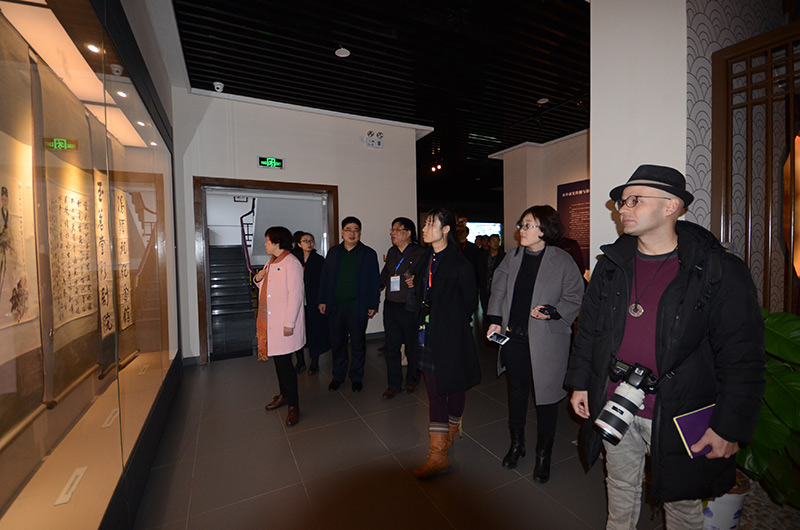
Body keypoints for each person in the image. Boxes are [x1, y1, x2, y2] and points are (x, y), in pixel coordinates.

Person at [564, 165, 764, 529]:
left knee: (683, 504)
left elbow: (742, 357)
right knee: (620, 489)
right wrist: (580, 382)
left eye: (634, 200)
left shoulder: (716, 270)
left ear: (671, 205)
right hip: (616, 399)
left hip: (679, 409)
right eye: (622, 201)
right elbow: (590, 331)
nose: (622, 208)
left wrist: (728, 427)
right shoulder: (611, 265)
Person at [486, 206, 584, 482]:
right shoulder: (512, 257)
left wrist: (555, 311)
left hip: (548, 340)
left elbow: (575, 295)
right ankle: (517, 445)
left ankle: (544, 455)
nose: (521, 229)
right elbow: (499, 289)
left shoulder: (562, 260)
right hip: (514, 338)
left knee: (547, 399)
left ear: (544, 230)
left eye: (527, 225)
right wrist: (494, 319)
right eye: (521, 224)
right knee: (516, 394)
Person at [408, 208, 481, 478]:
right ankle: (438, 454)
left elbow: (469, 303)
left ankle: (448, 435)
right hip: (426, 332)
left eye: (431, 224)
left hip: (451, 334)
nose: (424, 229)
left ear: (446, 229)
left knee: (456, 384)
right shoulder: (424, 258)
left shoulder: (460, 264)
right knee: (435, 391)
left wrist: (449, 320)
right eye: (425, 224)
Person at [318, 216, 380, 392]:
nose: (352, 234)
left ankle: (356, 376)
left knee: (358, 344)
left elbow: (374, 281)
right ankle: (338, 376)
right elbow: (325, 277)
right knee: (337, 343)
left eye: (356, 230)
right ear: (342, 232)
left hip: (357, 306)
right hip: (336, 306)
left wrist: (372, 304)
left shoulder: (368, 253)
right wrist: (322, 300)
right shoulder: (333, 252)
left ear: (360, 232)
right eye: (348, 229)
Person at [255, 226, 306, 427]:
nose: (265, 244)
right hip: (272, 322)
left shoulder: (291, 262)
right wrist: (258, 279)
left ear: (277, 242)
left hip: (285, 324)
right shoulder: (272, 261)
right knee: (279, 363)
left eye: (268, 240)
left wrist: (289, 323)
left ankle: (294, 405)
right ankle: (284, 395)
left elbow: (295, 295)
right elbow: (269, 288)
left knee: (286, 366)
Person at [379, 217, 426, 398]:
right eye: (392, 230)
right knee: (391, 346)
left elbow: (428, 280)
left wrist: (417, 281)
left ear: (408, 233)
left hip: (409, 307)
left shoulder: (420, 253)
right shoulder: (392, 252)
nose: (392, 233)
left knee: (411, 346)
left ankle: (412, 379)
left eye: (397, 230)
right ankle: (394, 384)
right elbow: (385, 276)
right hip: (391, 306)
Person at [293, 232, 329, 375]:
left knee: (314, 332)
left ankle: (314, 362)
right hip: (298, 303)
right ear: (299, 244)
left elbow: (324, 282)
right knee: (297, 332)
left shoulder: (319, 260)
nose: (309, 243)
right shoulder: (294, 260)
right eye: (305, 241)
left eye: (311, 241)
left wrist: (322, 300)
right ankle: (300, 361)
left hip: (314, 302)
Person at [477, 233, 505, 314]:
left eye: (498, 241)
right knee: (485, 311)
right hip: (485, 288)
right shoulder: (482, 257)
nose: (496, 243)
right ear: (488, 243)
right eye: (493, 241)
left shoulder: (504, 257)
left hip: (498, 289)